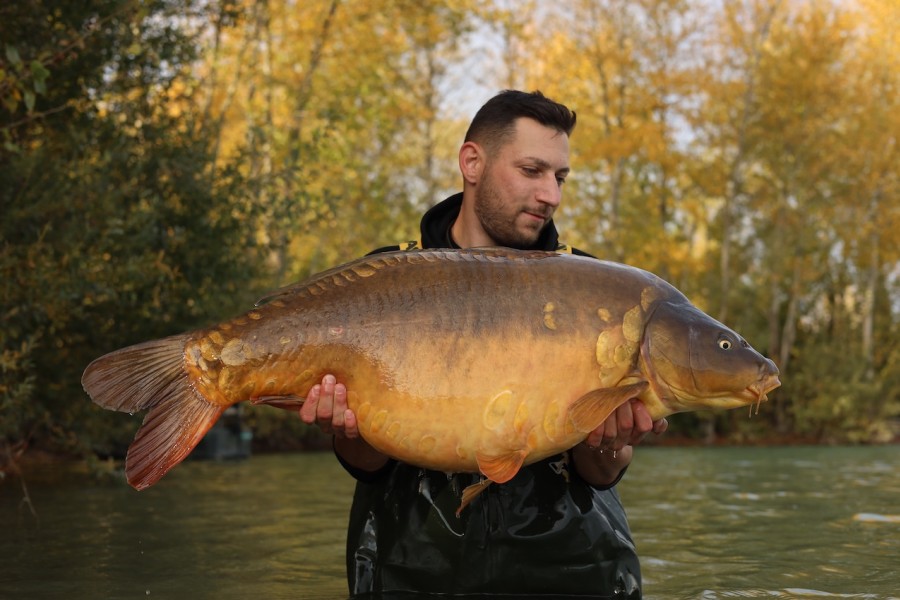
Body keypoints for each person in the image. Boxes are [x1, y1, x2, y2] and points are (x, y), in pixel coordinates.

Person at [300, 90, 668, 599]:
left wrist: (613, 441)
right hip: (414, 569)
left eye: (559, 178)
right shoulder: (387, 278)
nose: (551, 196)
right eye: (533, 170)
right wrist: (345, 428)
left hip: (567, 568)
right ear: (472, 161)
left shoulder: (594, 289)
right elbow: (369, 465)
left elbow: (599, 472)